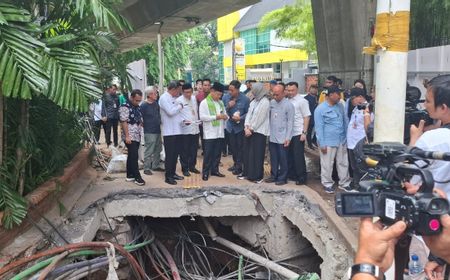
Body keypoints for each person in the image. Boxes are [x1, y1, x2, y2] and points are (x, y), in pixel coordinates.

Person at [314, 85, 352, 193]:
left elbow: (345, 121)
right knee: (327, 163)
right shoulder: (320, 109)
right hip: (328, 141)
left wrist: (346, 137)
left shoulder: (340, 106)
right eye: (338, 94)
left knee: (343, 162)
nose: (340, 96)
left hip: (341, 139)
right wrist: (322, 143)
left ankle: (344, 183)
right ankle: (327, 183)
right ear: (331, 95)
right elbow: (319, 128)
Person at [239, 83, 270, 184]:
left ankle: (257, 176)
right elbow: (249, 114)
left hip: (258, 132)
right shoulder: (254, 101)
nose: (252, 92)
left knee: (257, 154)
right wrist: (246, 126)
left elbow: (260, 118)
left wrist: (251, 129)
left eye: (253, 90)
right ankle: (247, 173)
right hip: (249, 131)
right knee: (247, 153)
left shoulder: (265, 102)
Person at [265, 84, 294, 185]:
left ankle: (283, 177)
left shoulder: (288, 105)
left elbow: (290, 122)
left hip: (283, 136)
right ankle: (274, 175)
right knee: (273, 157)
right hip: (272, 135)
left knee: (283, 158)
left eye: (277, 94)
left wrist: (288, 137)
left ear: (283, 93)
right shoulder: (272, 103)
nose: (275, 96)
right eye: (274, 94)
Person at [199, 82, 228, 181]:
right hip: (210, 133)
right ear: (212, 91)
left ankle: (215, 170)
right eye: (218, 94)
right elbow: (202, 117)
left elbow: (224, 113)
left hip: (219, 132)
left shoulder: (220, 102)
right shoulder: (204, 103)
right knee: (208, 154)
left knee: (217, 154)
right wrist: (216, 117)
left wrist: (225, 116)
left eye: (221, 95)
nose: (219, 96)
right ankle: (205, 172)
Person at [159, 81, 185, 185]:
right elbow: (170, 112)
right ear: (173, 89)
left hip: (177, 130)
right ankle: (168, 176)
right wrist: (180, 107)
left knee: (175, 154)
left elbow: (176, 114)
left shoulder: (174, 98)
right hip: (169, 132)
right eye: (178, 90)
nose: (179, 93)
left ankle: (173, 173)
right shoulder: (164, 98)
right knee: (170, 155)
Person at [346, 88, 373, 190]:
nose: (351, 101)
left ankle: (361, 187)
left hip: (360, 143)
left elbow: (369, 126)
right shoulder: (356, 108)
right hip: (352, 143)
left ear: (360, 97)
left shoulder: (368, 108)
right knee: (354, 167)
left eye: (353, 98)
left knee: (362, 167)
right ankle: (355, 185)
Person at [222, 80, 250, 175]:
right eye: (229, 90)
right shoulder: (225, 98)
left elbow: (249, 113)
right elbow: (221, 111)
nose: (230, 92)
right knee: (233, 147)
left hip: (240, 128)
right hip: (230, 127)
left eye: (232, 90)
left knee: (240, 148)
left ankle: (239, 166)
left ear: (238, 90)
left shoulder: (245, 99)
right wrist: (228, 106)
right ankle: (235, 164)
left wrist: (240, 118)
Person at [286, 81, 311, 185]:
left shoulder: (302, 101)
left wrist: (304, 132)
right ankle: (292, 174)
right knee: (289, 154)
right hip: (288, 132)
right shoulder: (287, 100)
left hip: (298, 131)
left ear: (297, 89)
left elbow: (306, 117)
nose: (290, 92)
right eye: (289, 90)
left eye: (293, 90)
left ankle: (301, 177)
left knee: (298, 155)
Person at [119, 89, 145, 186]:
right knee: (134, 156)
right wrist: (127, 136)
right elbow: (124, 121)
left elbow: (140, 119)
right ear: (131, 97)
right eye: (136, 100)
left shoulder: (137, 107)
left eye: (139, 100)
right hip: (129, 135)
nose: (138, 102)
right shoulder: (125, 107)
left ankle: (130, 175)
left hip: (137, 134)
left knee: (131, 155)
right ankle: (137, 177)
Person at [177, 83, 201, 176]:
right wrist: (183, 120)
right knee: (185, 150)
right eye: (186, 92)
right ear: (182, 92)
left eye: (190, 92)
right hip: (185, 129)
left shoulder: (194, 98)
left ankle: (192, 166)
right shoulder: (179, 100)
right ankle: (185, 168)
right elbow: (177, 115)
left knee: (194, 149)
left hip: (195, 127)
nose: (188, 94)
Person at [140, 86, 163, 175]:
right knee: (149, 149)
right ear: (149, 95)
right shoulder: (144, 105)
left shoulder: (155, 103)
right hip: (149, 131)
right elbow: (139, 118)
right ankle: (146, 168)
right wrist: (144, 125)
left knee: (158, 148)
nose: (156, 94)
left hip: (157, 129)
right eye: (155, 93)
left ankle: (155, 165)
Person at [304, 84, 319, 149]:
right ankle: (310, 144)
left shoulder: (317, 97)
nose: (314, 90)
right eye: (313, 88)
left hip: (316, 118)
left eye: (315, 89)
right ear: (309, 89)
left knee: (316, 131)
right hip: (309, 118)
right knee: (309, 132)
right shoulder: (306, 99)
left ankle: (314, 141)